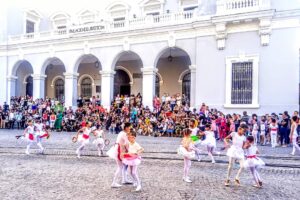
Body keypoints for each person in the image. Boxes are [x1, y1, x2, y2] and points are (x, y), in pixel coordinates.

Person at [107, 122, 131, 188]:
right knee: (120, 167)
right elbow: (126, 144)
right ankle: (114, 182)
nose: (130, 128)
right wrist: (130, 151)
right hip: (120, 150)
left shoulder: (121, 132)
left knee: (125, 165)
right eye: (129, 127)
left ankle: (124, 179)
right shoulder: (124, 134)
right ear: (126, 128)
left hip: (118, 149)